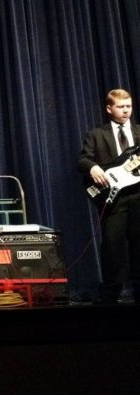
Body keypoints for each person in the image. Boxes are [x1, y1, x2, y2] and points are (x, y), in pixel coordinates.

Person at [78, 88, 140, 304]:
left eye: (129, 106)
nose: (126, 111)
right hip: (113, 198)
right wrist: (93, 167)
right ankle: (111, 294)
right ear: (109, 108)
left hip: (138, 195)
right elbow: (83, 160)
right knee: (112, 245)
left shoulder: (139, 132)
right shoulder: (97, 134)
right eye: (121, 107)